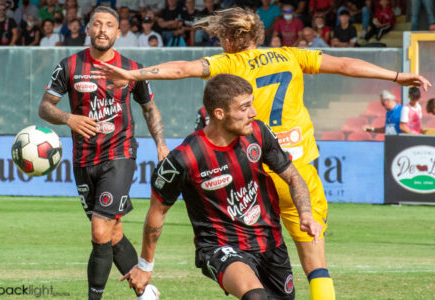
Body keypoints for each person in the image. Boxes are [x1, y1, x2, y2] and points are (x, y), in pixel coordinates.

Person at [92, 7, 430, 300]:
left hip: (253, 174)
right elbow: (343, 64)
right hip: (297, 172)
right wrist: (397, 76)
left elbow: (181, 69)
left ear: (227, 38)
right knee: (316, 267)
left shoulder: (228, 62)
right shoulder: (292, 55)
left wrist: (134, 74)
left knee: (244, 256)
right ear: (258, 34)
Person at [121, 74, 321, 300]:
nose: (253, 112)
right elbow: (157, 212)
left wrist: (305, 213)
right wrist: (145, 265)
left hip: (270, 242)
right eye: (244, 107)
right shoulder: (184, 159)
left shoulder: (259, 133)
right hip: (219, 246)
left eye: (252, 105)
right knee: (255, 297)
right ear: (219, 113)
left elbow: (293, 177)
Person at [37, 6, 168, 300]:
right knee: (113, 232)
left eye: (109, 25)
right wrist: (69, 118)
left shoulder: (130, 68)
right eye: (97, 24)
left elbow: (148, 107)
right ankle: (146, 293)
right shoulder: (69, 66)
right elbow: (44, 107)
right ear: (88, 28)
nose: (102, 30)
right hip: (83, 159)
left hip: (119, 154)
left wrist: (160, 144)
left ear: (118, 32)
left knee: (99, 231)